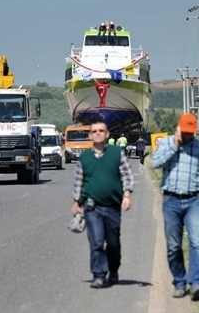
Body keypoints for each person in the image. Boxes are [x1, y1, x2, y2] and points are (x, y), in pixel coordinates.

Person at [151, 113, 199, 301]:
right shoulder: (167, 143)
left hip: (194, 201)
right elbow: (155, 163)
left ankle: (197, 284)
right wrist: (175, 145)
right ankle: (179, 282)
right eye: (184, 132)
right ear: (178, 129)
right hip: (171, 201)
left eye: (190, 132)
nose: (187, 136)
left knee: (197, 243)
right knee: (173, 245)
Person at [71, 119, 134, 289]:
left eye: (101, 130)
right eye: (95, 131)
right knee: (96, 242)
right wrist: (76, 202)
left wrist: (127, 195)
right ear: (90, 135)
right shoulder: (84, 157)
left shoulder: (116, 153)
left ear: (107, 134)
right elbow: (79, 181)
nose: (98, 133)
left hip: (113, 206)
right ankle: (98, 275)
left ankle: (113, 270)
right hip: (92, 207)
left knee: (113, 243)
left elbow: (127, 176)